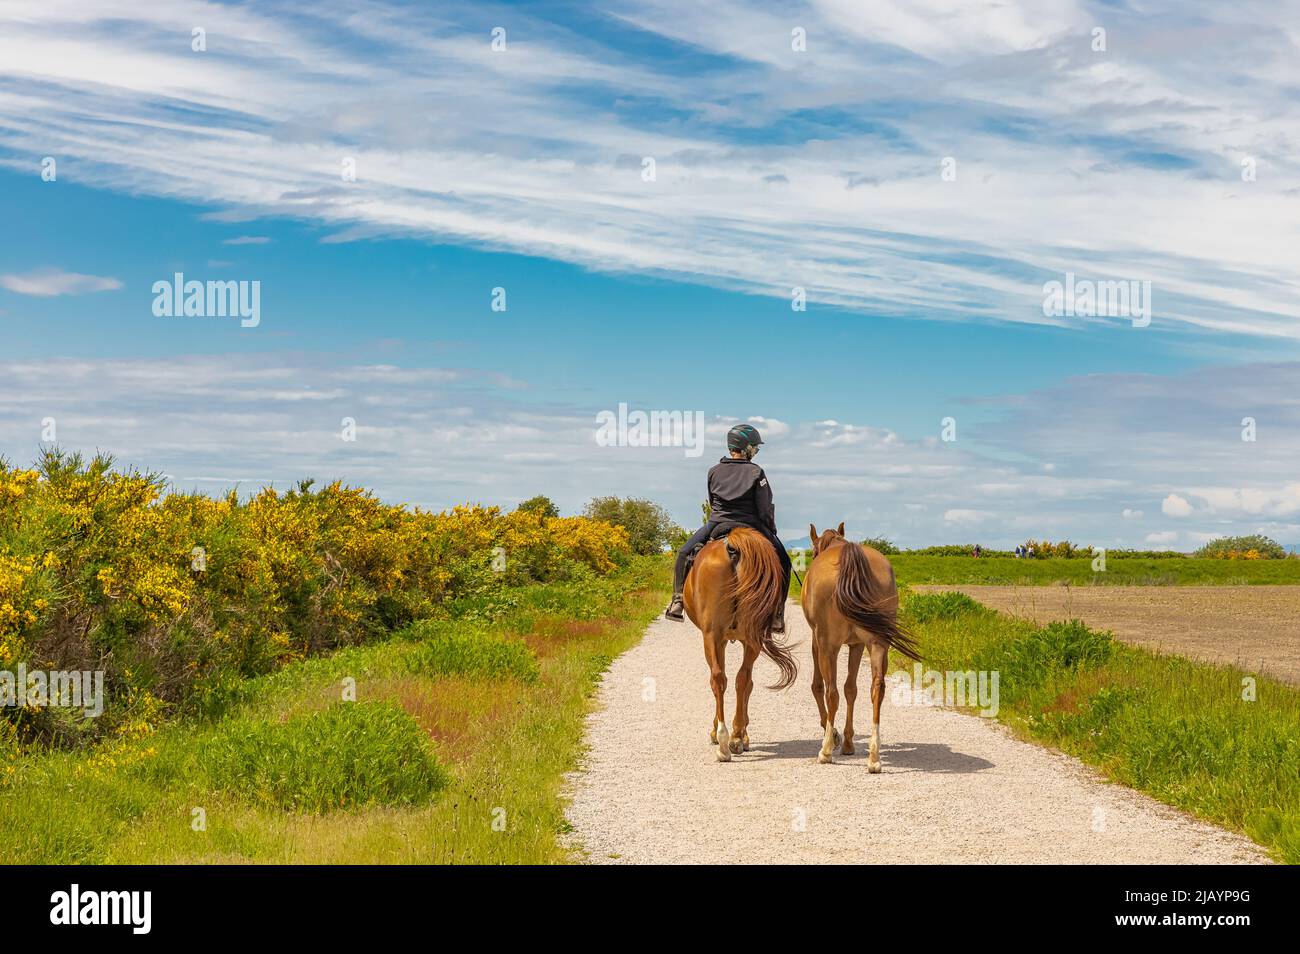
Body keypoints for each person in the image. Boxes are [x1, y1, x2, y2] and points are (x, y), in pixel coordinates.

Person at [664, 423, 792, 633]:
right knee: (784, 561)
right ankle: (777, 613)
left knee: (684, 553)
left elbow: (712, 500)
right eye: (755, 447)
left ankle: (677, 601)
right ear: (747, 447)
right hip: (752, 524)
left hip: (717, 523)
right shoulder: (756, 472)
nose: (756, 451)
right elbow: (765, 507)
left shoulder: (713, 471)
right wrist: (771, 529)